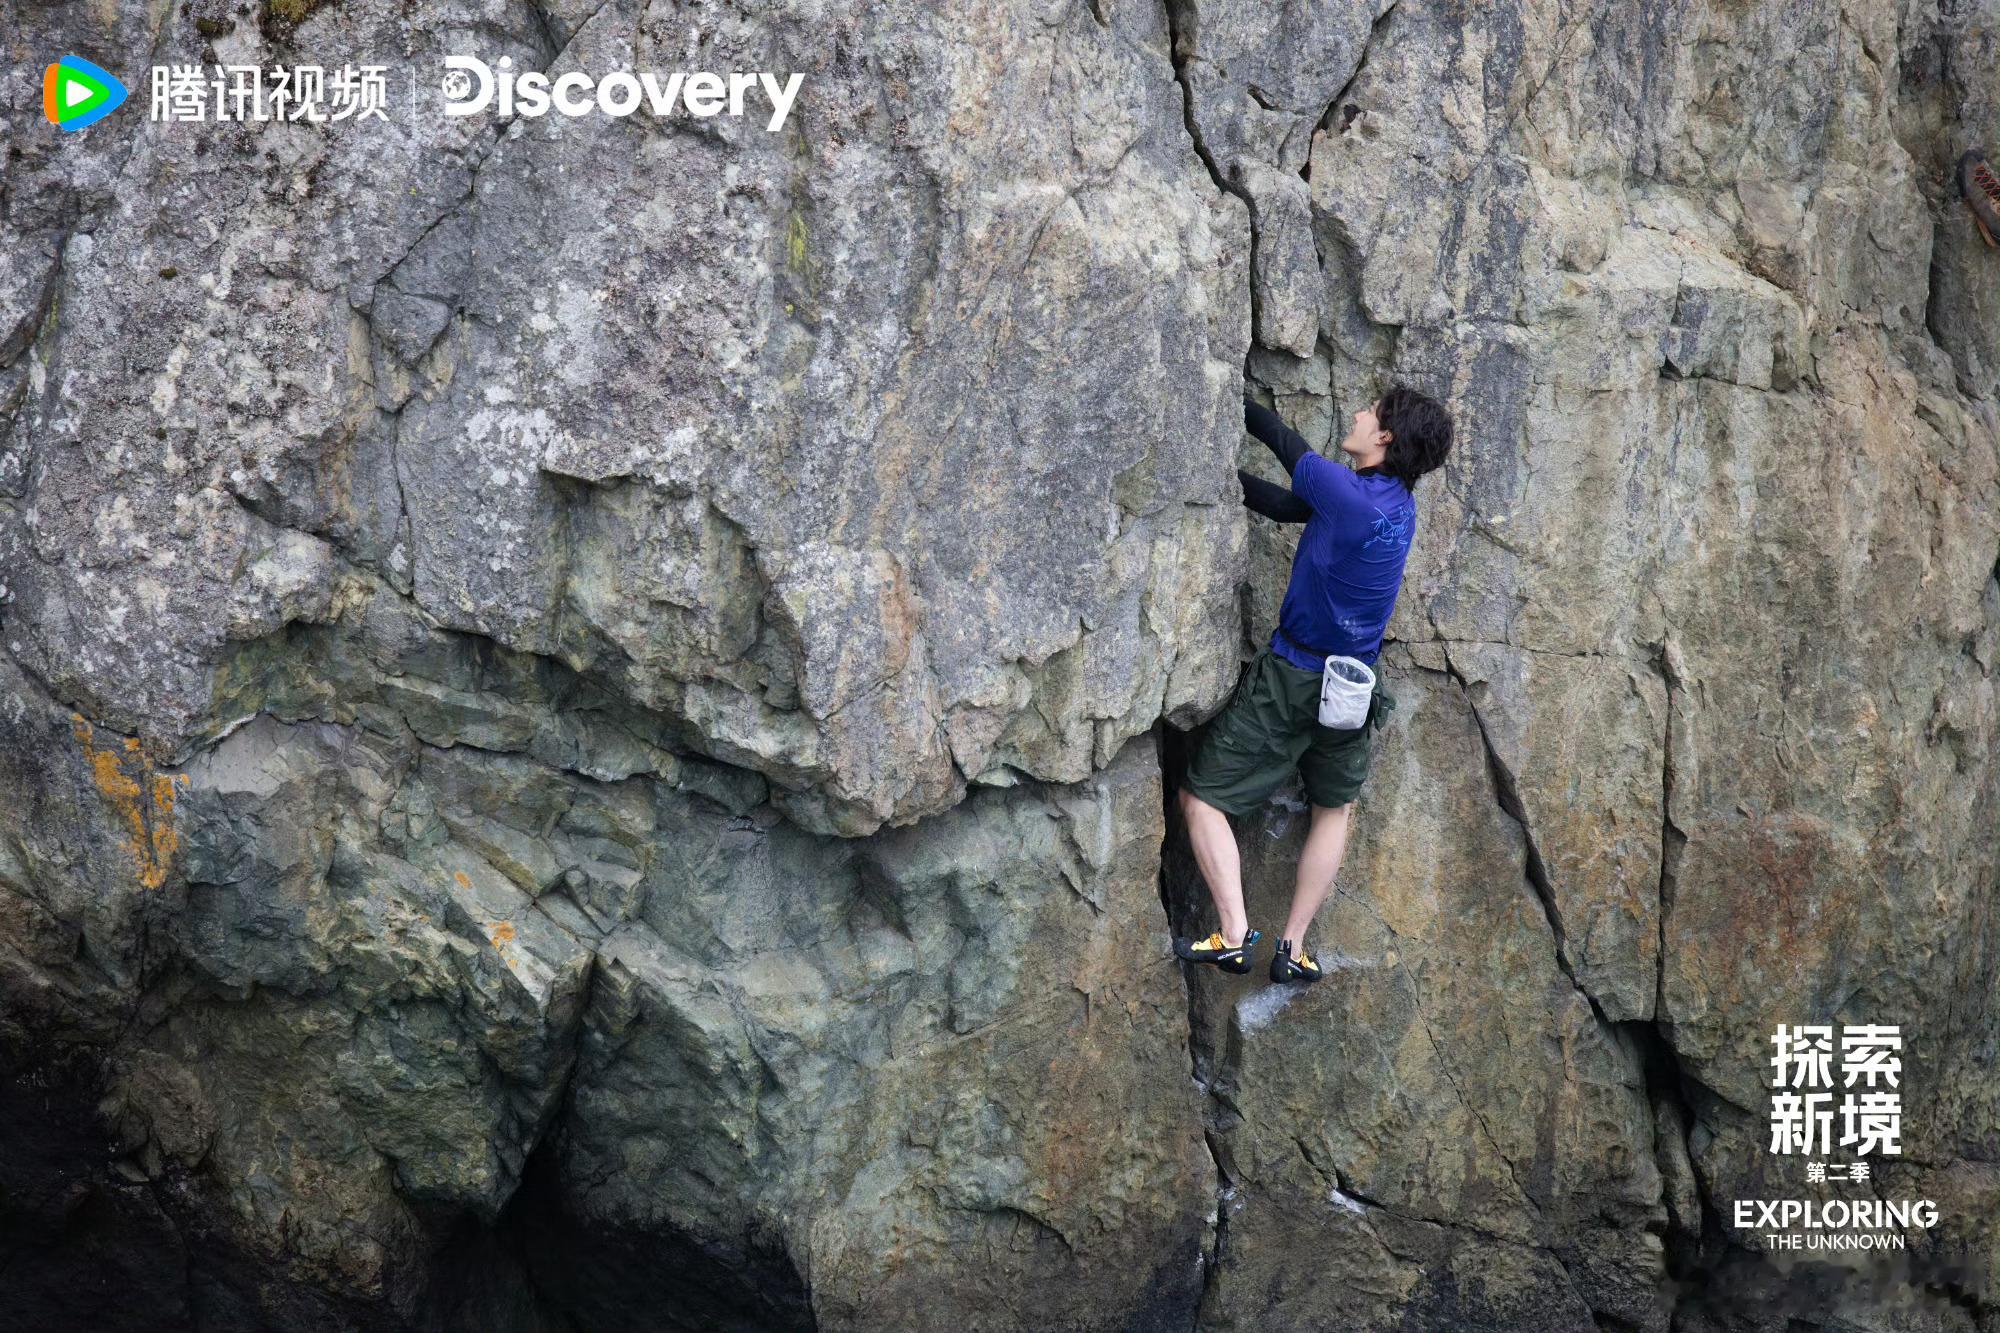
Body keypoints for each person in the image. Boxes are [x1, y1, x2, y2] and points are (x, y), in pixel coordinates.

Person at [1173, 386, 1454, 984]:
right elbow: (1285, 507)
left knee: (1201, 799)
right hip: (1353, 686)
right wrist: (1220, 474)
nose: (1357, 414)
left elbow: (1286, 445)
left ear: (1385, 438)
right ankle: (1293, 946)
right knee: (1335, 806)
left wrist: (1228, 395)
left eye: (1371, 412)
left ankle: (1232, 932)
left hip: (1293, 677)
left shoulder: (1344, 492)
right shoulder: (1397, 505)